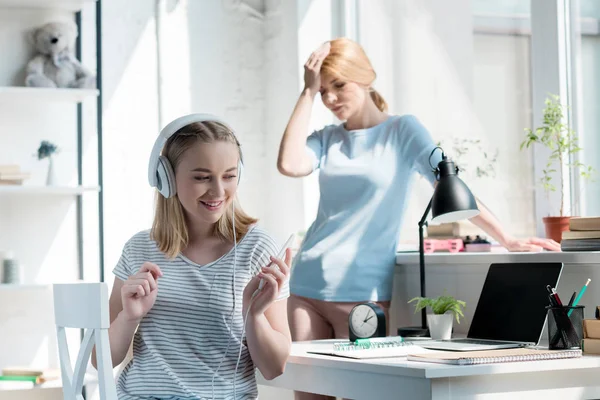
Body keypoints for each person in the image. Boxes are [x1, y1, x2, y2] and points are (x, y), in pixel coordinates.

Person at [277, 38, 561, 400]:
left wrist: (507, 239)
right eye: (324, 91)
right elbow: (288, 164)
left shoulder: (402, 131)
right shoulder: (327, 139)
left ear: (365, 79)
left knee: (360, 395)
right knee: (308, 397)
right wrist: (306, 90)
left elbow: (451, 184)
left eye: (339, 86)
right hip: (308, 286)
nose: (331, 99)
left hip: (364, 295)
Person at [92, 114, 292, 400]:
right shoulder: (139, 249)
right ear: (166, 178)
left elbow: (274, 368)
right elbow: (101, 361)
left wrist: (254, 314)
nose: (218, 191)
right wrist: (128, 317)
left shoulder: (258, 249)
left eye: (229, 176)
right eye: (202, 177)